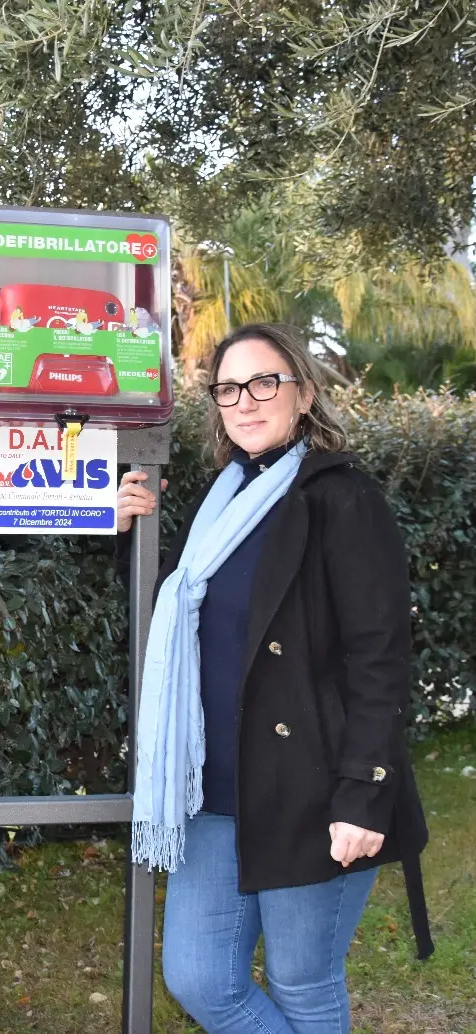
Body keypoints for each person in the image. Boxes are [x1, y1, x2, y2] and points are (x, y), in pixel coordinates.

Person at [116, 323, 432, 1034]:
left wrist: (363, 795)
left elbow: (380, 659)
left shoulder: (343, 499)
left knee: (302, 984)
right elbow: (179, 619)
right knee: (200, 979)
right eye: (229, 388)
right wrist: (129, 536)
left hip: (311, 790)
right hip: (213, 789)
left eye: (265, 382)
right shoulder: (221, 502)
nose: (246, 401)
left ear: (305, 393)